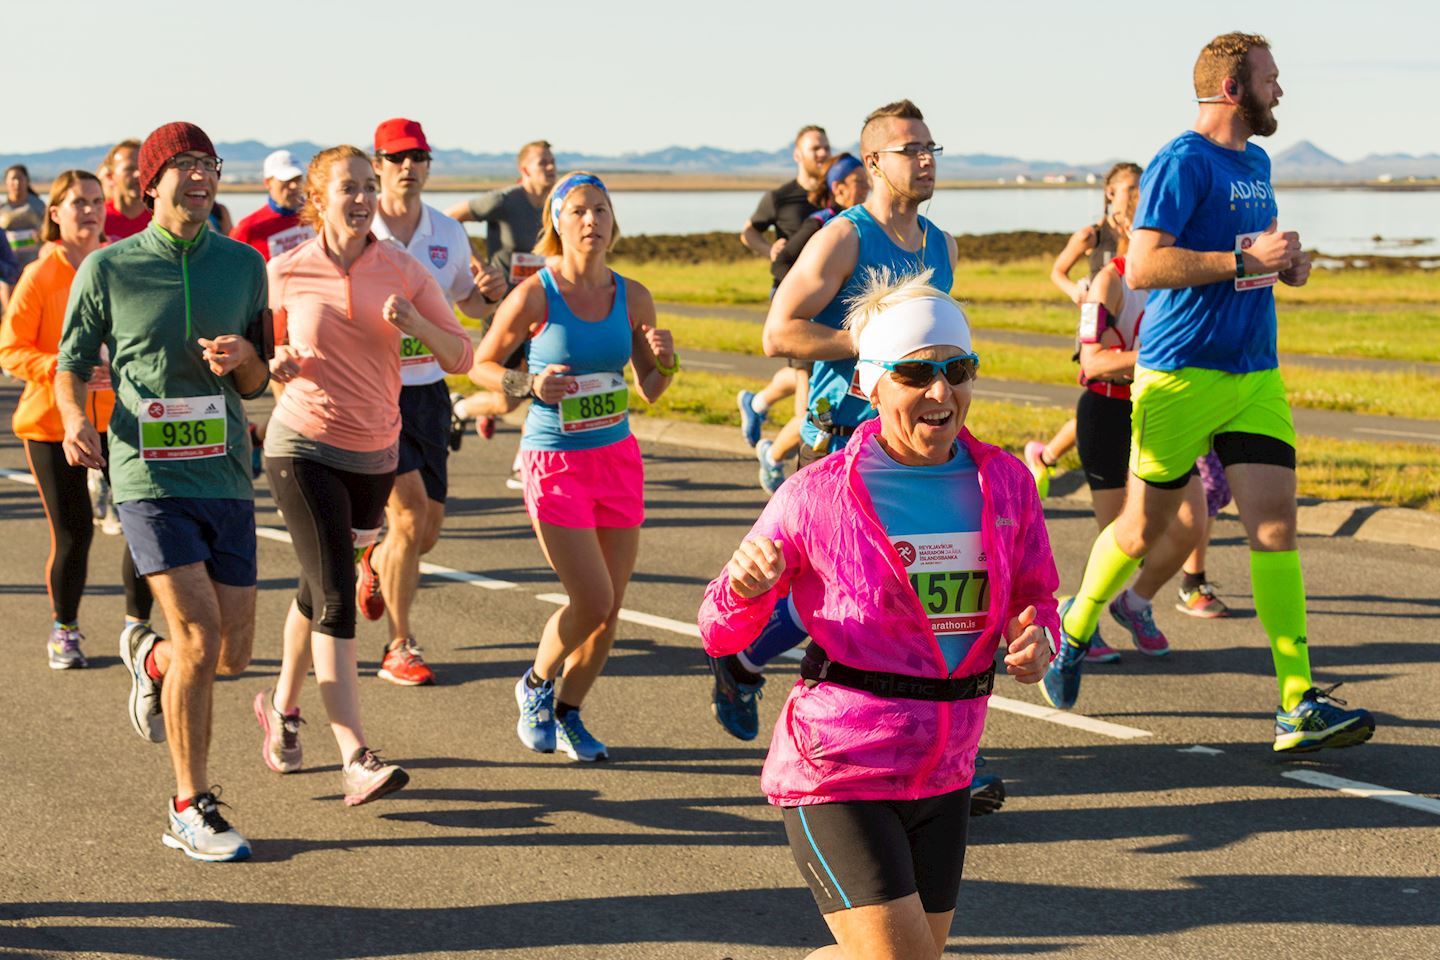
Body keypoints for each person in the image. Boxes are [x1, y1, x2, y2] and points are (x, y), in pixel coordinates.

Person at [699, 271, 1057, 960]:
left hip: (947, 772)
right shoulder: (817, 496)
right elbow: (719, 631)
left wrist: (1037, 636)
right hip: (838, 766)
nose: (941, 392)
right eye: (916, 373)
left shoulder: (1006, 482)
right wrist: (743, 588)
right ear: (870, 385)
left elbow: (1035, 595)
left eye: (958, 370)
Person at [1040, 32, 1376, 753]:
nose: (1281, 91)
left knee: (1275, 528)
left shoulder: (1256, 161)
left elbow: (1248, 256)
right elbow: (1148, 266)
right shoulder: (1181, 162)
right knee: (1139, 532)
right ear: (1233, 89)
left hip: (1254, 372)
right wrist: (1240, 259)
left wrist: (1283, 266)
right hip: (1180, 372)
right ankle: (1073, 626)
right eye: (1271, 80)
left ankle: (1296, 703)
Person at [712, 99, 958, 746]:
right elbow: (778, 332)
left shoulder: (942, 245)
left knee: (908, 583)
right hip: (839, 435)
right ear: (874, 162)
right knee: (861, 587)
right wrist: (873, 342)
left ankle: (744, 662)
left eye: (932, 147)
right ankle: (858, 730)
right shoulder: (845, 236)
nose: (927, 159)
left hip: (910, 440)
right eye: (912, 150)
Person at [57, 121, 271, 861]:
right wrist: (71, 419)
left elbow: (258, 375)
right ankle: (191, 804)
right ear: (151, 183)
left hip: (225, 477)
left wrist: (244, 357)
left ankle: (148, 659)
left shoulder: (243, 265)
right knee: (201, 637)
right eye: (182, 165)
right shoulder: (109, 268)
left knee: (232, 655)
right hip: (146, 476)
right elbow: (70, 361)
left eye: (209, 164)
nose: (200, 176)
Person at [257, 144, 474, 801]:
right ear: (316, 199)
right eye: (346, 188)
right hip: (301, 446)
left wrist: (414, 324)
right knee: (335, 595)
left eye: (366, 187)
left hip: (373, 454)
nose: (360, 198)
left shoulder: (402, 269)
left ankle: (282, 709)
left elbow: (461, 352)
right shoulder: (285, 269)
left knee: (314, 587)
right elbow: (257, 354)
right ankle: (355, 753)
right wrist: (274, 363)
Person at [468, 172, 676, 762]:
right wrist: (528, 383)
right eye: (579, 211)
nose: (592, 221)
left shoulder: (633, 295)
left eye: (602, 211)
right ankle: (535, 683)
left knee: (610, 610)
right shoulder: (539, 292)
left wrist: (666, 359)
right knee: (590, 596)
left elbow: (654, 389)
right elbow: (481, 363)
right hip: (555, 460)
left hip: (616, 457)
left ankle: (569, 713)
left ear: (614, 221)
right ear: (558, 223)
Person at [350, 119, 505, 687]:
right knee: (411, 516)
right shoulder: (363, 231)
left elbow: (466, 303)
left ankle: (371, 560)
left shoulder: (447, 231)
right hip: (375, 392)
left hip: (430, 392)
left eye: (418, 157)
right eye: (396, 159)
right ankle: (399, 645)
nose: (408, 168)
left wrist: (487, 297)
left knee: (426, 531)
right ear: (379, 164)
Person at [0, 170, 156, 668]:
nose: (89, 210)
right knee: (74, 534)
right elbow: (10, 350)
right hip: (53, 422)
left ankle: (138, 630)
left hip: (124, 420)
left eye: (95, 201)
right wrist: (64, 368)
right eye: (77, 202)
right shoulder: (39, 275)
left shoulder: (122, 263)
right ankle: (64, 629)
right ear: (56, 213)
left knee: (143, 526)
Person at [1066, 224, 1210, 663]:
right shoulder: (1110, 280)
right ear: (1122, 220)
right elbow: (1093, 362)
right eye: (1131, 201)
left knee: (1191, 524)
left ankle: (1136, 603)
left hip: (1161, 411)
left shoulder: (1179, 281)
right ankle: (1079, 622)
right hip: (1108, 412)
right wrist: (1154, 357)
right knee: (1121, 540)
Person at [1024, 162, 1143, 498]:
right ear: (1110, 192)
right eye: (1130, 188)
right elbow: (1058, 271)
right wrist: (1076, 291)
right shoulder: (1092, 234)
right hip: (1098, 321)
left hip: (1129, 322)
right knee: (1101, 391)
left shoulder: (1144, 236)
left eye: (1141, 188)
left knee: (1116, 402)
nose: (1136, 194)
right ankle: (1047, 455)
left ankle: (1046, 455)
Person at [752, 152, 868, 493]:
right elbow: (783, 262)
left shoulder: (862, 226)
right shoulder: (822, 223)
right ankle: (778, 465)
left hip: (838, 332)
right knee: (808, 416)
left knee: (815, 412)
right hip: (810, 328)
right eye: (859, 183)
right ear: (839, 188)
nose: (866, 189)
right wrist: (804, 300)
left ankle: (759, 410)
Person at [447, 139, 558, 447]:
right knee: (507, 401)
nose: (551, 167)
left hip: (542, 308)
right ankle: (461, 408)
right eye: (543, 163)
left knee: (546, 382)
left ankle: (525, 462)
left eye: (552, 161)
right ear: (524, 170)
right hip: (503, 308)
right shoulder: (505, 200)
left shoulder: (554, 203)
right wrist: (478, 264)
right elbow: (450, 219)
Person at [735, 125, 831, 450]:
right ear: (797, 154)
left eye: (825, 147)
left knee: (810, 369)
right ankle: (782, 456)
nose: (822, 153)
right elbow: (749, 232)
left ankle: (757, 403)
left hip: (828, 296)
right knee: (806, 369)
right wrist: (769, 250)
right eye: (815, 148)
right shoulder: (779, 197)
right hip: (790, 298)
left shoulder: (834, 196)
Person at [229, 149, 314, 261]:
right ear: (268, 183)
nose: (294, 186)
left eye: (297, 179)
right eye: (286, 180)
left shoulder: (321, 216)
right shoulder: (248, 229)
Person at [98, 140, 151, 240]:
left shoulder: (160, 219)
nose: (138, 174)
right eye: (130, 169)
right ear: (110, 177)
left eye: (143, 168)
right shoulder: (98, 219)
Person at [1, 165, 47, 270]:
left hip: (35, 263)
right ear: (6, 182)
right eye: (13, 179)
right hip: (8, 267)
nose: (17, 183)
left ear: (27, 181)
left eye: (20, 178)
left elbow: (51, 231)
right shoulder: (2, 208)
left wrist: (42, 234)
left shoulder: (39, 206)